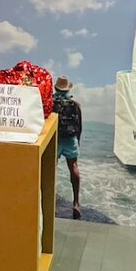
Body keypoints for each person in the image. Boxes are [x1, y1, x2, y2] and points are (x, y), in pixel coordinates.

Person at [53, 76, 83, 220]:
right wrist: (78, 141)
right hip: (70, 139)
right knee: (74, 168)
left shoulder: (51, 102)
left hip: (56, 139)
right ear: (68, 88)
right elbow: (79, 126)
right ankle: (76, 203)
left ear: (55, 88)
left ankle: (50, 200)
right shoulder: (75, 104)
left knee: (52, 169)